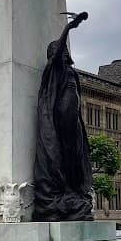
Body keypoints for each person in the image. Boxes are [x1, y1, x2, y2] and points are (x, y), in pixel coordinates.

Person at [33, 12, 93, 221]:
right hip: (60, 116)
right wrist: (69, 28)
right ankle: (65, 192)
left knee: (75, 154)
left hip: (73, 119)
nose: (65, 51)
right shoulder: (54, 67)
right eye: (61, 48)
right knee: (63, 152)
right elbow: (57, 51)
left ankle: (73, 191)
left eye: (66, 48)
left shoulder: (71, 71)